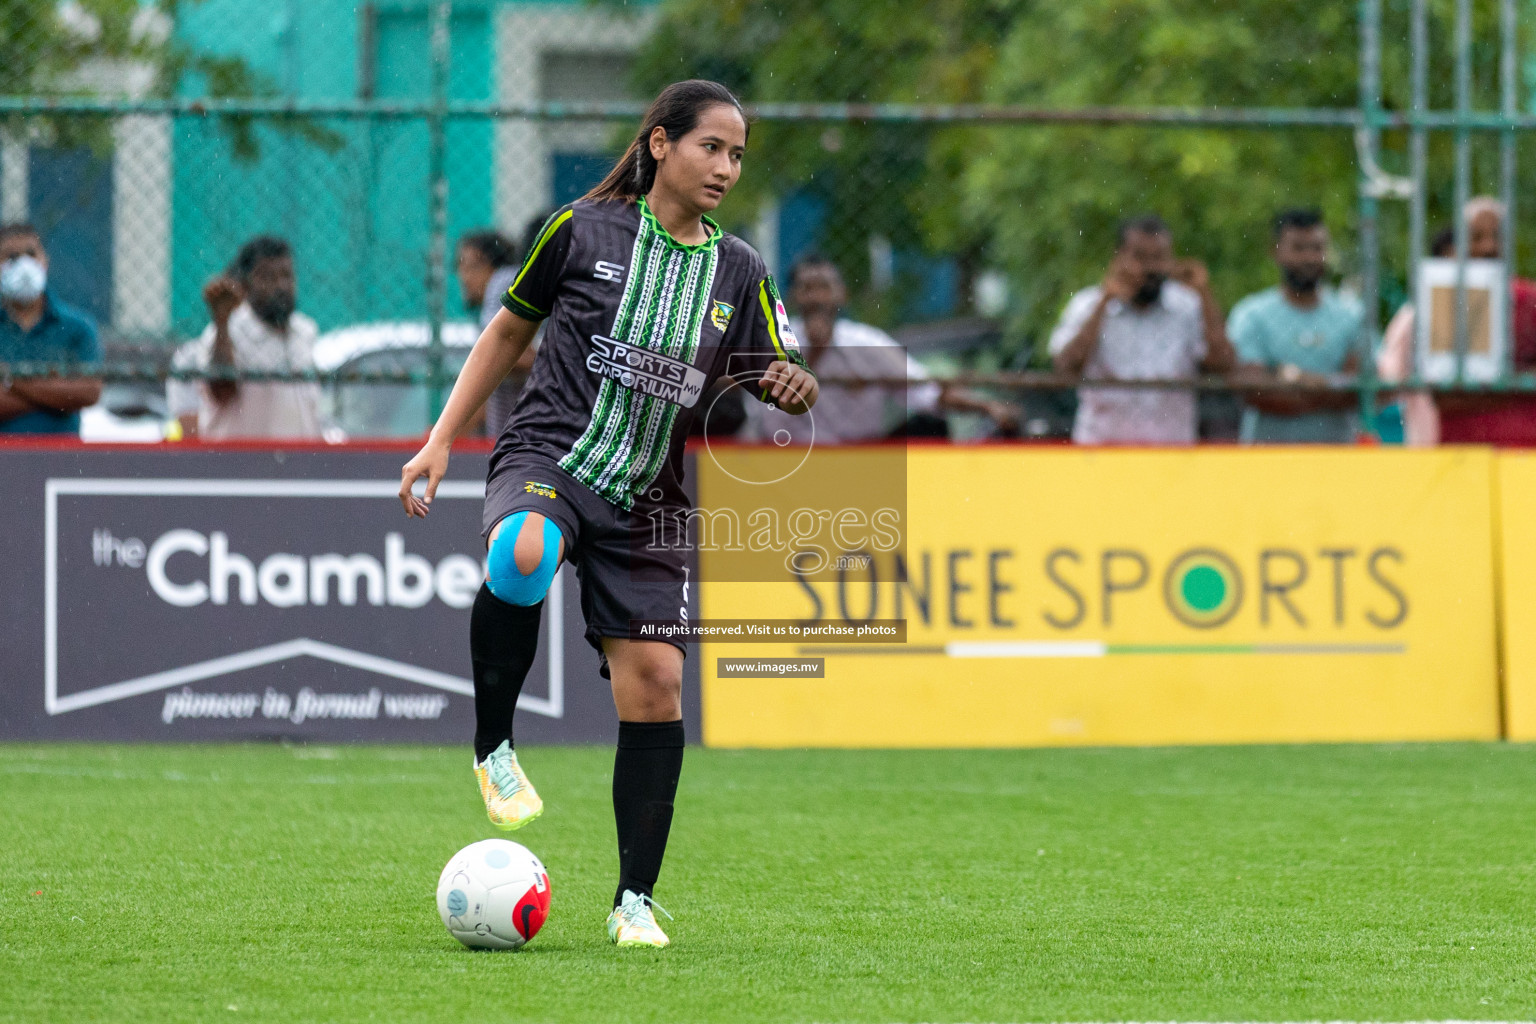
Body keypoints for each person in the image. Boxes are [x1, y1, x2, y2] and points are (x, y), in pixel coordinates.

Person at [397, 80, 816, 949]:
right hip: (551, 452)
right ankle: (494, 748)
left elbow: (778, 363)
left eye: (738, 155)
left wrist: (792, 380)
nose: (726, 167)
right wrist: (442, 437)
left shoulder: (739, 268)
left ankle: (632, 904)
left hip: (649, 494)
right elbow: (506, 334)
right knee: (520, 551)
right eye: (712, 147)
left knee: (658, 685)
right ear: (660, 143)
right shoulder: (579, 230)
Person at [744, 254, 1017, 443]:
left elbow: (929, 394)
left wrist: (988, 406)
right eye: (807, 288)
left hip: (864, 460)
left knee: (930, 428)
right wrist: (812, 355)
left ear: (841, 295)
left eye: (824, 287)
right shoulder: (770, 343)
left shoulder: (867, 343)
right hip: (786, 461)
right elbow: (754, 409)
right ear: (791, 297)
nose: (816, 298)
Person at [1049, 214, 1236, 445]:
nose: (1150, 267)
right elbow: (1064, 369)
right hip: (1101, 453)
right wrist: (1104, 302)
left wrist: (1205, 295)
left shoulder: (1188, 306)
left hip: (1171, 458)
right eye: (1139, 257)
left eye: (1159, 257)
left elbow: (1225, 365)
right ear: (1118, 258)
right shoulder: (1087, 304)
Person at [1378, 197, 1536, 446]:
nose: (1488, 247)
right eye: (1476, 237)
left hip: (1524, 455)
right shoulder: (1441, 302)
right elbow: (1445, 397)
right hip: (1461, 453)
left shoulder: (1530, 299)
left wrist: (1481, 388)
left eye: (1497, 236)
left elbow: (1455, 393)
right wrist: (1520, 384)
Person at [168, 235, 325, 440]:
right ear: (246, 284)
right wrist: (222, 322)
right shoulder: (227, 332)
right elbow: (221, 393)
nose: (281, 286)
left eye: (286, 275)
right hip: (242, 465)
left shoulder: (304, 331)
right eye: (268, 277)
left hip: (300, 464)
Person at [1227, 209, 1363, 444]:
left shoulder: (1350, 314)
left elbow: (1364, 387)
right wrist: (1328, 387)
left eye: (1317, 248)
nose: (1309, 257)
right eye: (1299, 248)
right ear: (1276, 251)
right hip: (1268, 461)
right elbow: (1252, 390)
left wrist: (1291, 379)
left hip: (1338, 462)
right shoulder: (1251, 314)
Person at [0, 223, 102, 434]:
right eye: (11, 257)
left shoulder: (77, 327)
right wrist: (54, 393)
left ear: (45, 260)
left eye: (31, 254)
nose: (23, 265)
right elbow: (69, 398)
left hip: (61, 455)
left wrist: (10, 380)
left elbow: (88, 392)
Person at [456, 229, 534, 436]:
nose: (464, 277)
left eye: (472, 266)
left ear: (493, 266)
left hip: (524, 440)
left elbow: (500, 353)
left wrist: (444, 436)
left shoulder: (502, 282)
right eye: (460, 267)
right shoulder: (502, 292)